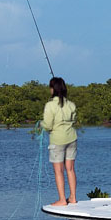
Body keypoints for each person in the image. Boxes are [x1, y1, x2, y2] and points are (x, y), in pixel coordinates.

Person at [42, 76, 78, 206]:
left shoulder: (50, 105)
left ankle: (62, 199)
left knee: (58, 170)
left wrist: (41, 124)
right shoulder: (71, 105)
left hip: (57, 140)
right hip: (72, 138)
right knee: (70, 169)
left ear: (53, 89)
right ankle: (73, 197)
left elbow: (47, 125)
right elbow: (74, 120)